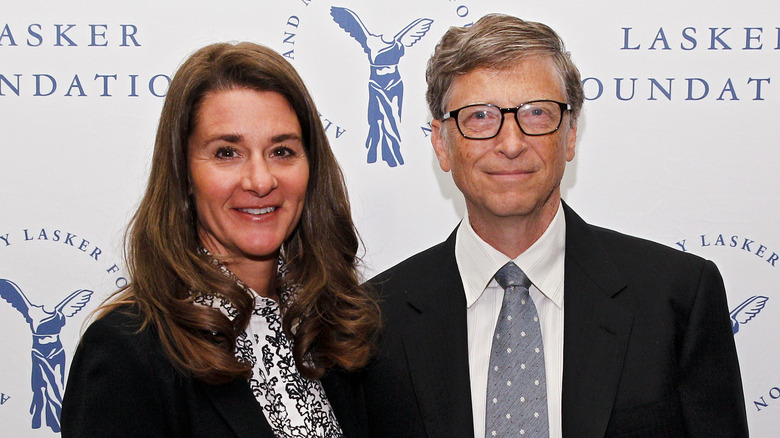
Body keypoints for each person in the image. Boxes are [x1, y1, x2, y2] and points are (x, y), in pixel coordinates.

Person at [359, 14, 749, 438]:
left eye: (537, 113)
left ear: (569, 136)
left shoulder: (677, 297)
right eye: (480, 117)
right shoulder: (373, 320)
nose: (510, 144)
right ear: (441, 142)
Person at [61, 42, 379, 438]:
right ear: (183, 173)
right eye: (227, 152)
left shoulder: (333, 329)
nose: (260, 181)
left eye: (282, 151)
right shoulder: (127, 352)